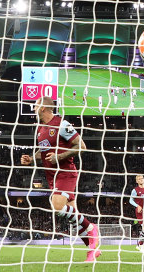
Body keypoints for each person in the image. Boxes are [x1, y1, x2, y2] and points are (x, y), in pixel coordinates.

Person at [20, 96, 100, 262]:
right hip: (52, 177)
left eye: (35, 106)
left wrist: (59, 156)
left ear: (43, 108)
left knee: (57, 206)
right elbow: (43, 151)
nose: (33, 109)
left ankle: (92, 228)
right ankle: (92, 249)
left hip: (65, 173)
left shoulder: (62, 124)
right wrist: (32, 159)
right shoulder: (40, 129)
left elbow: (82, 146)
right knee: (74, 219)